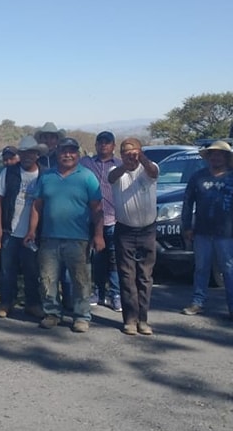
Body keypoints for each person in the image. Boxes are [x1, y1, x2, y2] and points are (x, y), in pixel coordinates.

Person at [25, 137, 105, 332]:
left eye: (71, 151)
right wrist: (31, 230)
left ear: (77, 154)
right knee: (47, 279)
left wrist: (99, 235)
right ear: (57, 153)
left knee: (80, 279)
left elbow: (97, 209)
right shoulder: (46, 177)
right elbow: (37, 205)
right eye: (63, 151)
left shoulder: (87, 177)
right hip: (49, 238)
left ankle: (81, 316)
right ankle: (52, 313)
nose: (67, 155)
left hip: (78, 239)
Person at [181, 140, 233, 322]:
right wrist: (187, 226)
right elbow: (188, 203)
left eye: (220, 154)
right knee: (201, 268)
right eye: (213, 154)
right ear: (209, 157)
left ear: (226, 157)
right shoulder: (198, 177)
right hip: (202, 232)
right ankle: (198, 302)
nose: (216, 157)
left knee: (229, 270)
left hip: (227, 234)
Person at [107, 138, 160, 336]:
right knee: (127, 276)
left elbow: (153, 172)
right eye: (126, 152)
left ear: (141, 151)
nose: (131, 156)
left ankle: (143, 320)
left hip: (147, 230)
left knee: (145, 277)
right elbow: (111, 178)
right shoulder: (117, 172)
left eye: (134, 151)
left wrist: (142, 160)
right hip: (125, 230)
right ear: (120, 155)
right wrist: (125, 165)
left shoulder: (149, 168)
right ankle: (130, 319)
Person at [0, 136, 44, 319]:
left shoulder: (44, 174)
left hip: (33, 234)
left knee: (32, 271)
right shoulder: (9, 172)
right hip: (9, 231)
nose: (27, 156)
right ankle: (6, 302)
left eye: (31, 152)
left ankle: (33, 304)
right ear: (19, 154)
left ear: (37, 154)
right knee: (7, 271)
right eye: (23, 152)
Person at [81, 130, 122, 311]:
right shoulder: (86, 163)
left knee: (114, 259)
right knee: (95, 258)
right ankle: (98, 293)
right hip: (90, 218)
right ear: (96, 145)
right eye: (100, 142)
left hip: (114, 219)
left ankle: (116, 295)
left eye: (107, 142)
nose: (103, 145)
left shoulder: (120, 165)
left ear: (113, 145)